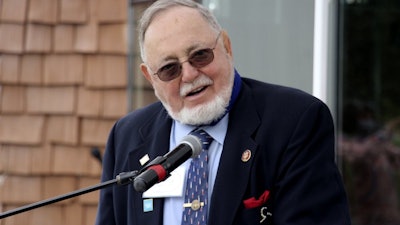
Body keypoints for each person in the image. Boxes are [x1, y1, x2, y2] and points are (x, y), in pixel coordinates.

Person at [95, 0, 351, 224]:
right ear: (150, 78)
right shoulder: (126, 135)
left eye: (200, 55)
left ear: (226, 47)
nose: (190, 75)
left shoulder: (295, 121)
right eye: (169, 69)